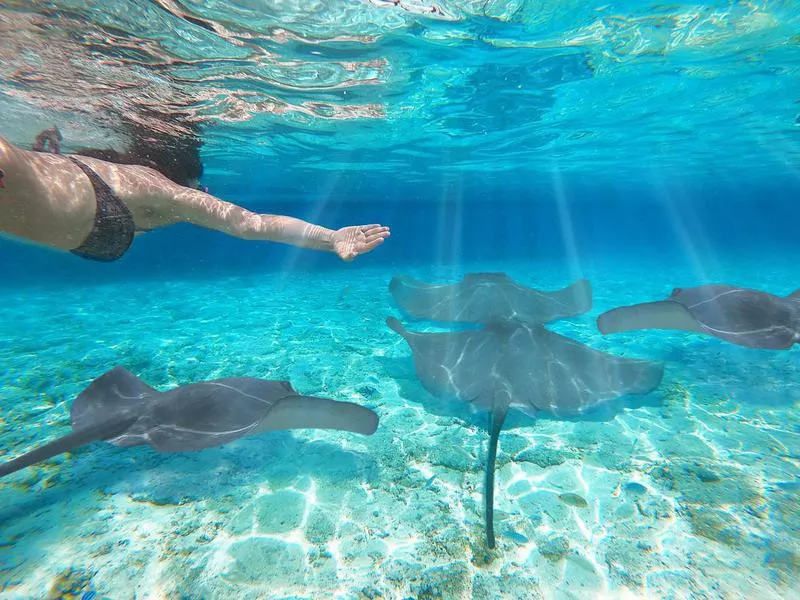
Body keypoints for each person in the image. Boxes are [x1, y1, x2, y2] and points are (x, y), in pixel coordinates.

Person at [0, 133, 390, 262]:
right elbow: (251, 223)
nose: (200, 197)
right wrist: (332, 237)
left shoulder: (120, 175)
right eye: (199, 189)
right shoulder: (160, 189)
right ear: (185, 178)